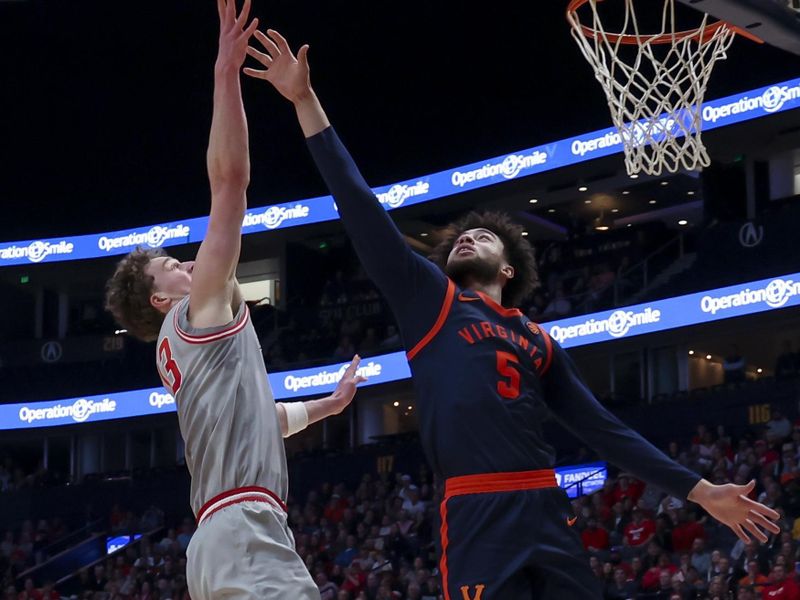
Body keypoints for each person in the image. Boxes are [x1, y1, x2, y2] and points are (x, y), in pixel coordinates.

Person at [246, 29, 781, 599]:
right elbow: (359, 204)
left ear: (509, 271)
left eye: (483, 237)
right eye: (459, 238)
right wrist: (306, 103)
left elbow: (605, 429)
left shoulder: (538, 341)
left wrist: (700, 491)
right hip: (476, 511)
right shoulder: (431, 300)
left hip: (545, 507)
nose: (467, 238)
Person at [104, 4, 366, 598]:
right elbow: (229, 184)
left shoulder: (186, 353)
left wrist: (327, 406)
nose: (187, 263)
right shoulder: (199, 312)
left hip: (225, 537)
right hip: (244, 531)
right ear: (160, 297)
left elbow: (260, 420)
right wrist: (225, 72)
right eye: (173, 265)